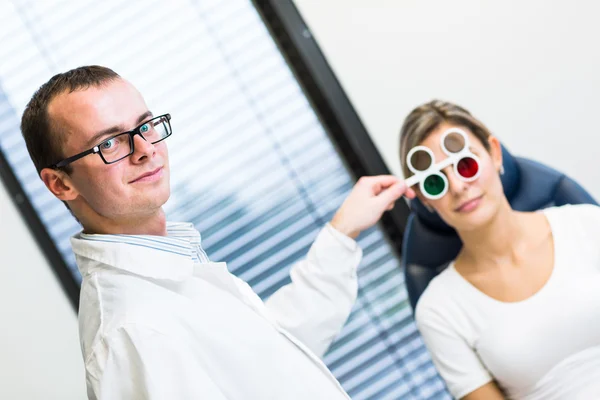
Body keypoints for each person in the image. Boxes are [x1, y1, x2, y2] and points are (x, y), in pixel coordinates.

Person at [20, 65, 415, 399]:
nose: (145, 148)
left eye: (145, 126)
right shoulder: (132, 330)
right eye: (109, 143)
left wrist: (342, 233)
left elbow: (271, 358)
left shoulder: (169, 265)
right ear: (60, 184)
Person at [399, 100, 600, 400]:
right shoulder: (439, 310)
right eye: (435, 181)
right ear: (424, 199)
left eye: (465, 164)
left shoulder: (586, 224)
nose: (457, 186)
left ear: (494, 153)